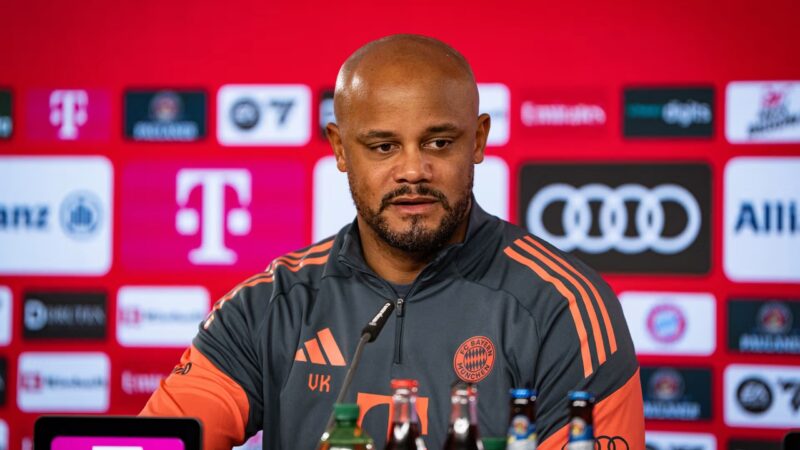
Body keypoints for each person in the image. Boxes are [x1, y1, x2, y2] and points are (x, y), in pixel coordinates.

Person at [141, 34, 645, 450]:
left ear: (478, 140)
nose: (412, 171)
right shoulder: (271, 305)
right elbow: (157, 442)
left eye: (438, 143)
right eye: (383, 146)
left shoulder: (562, 307)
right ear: (340, 149)